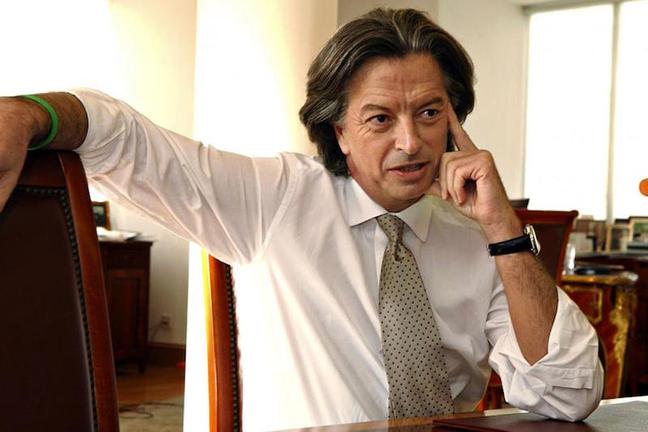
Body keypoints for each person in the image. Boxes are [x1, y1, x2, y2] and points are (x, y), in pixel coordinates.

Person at [0, 8, 602, 432]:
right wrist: (29, 115)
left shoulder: (481, 240)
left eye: (429, 112)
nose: (411, 142)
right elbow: (125, 140)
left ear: (455, 120)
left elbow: (568, 393)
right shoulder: (277, 198)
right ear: (338, 131)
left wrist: (503, 230)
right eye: (380, 118)